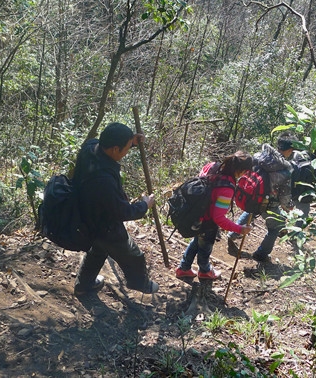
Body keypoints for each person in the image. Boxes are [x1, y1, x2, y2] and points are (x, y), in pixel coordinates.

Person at [72, 122, 159, 296]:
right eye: (126, 148)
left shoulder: (90, 147)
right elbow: (122, 212)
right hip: (105, 225)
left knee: (97, 249)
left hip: (86, 216)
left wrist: (132, 141)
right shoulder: (103, 180)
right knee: (133, 254)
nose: (127, 152)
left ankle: (83, 285)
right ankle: (140, 284)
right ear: (114, 149)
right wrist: (144, 205)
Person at [175, 152, 254, 280]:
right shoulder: (226, 188)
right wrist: (239, 229)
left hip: (195, 217)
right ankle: (205, 271)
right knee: (205, 249)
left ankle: (183, 268)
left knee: (196, 242)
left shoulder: (212, 166)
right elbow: (219, 218)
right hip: (207, 224)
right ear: (242, 170)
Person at [228, 136, 295, 262]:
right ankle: (261, 254)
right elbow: (284, 195)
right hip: (268, 203)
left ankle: (233, 233)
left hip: (251, 195)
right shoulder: (285, 169)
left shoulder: (259, 155)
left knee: (250, 210)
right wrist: (288, 207)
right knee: (276, 227)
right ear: (290, 150)